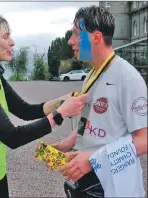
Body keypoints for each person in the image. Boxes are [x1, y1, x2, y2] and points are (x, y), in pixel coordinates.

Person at [0, 15, 89, 198]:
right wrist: (60, 114)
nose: (12, 42)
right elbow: (11, 136)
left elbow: (25, 110)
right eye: (6, 36)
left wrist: (61, 101)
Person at [51, 5, 147, 198]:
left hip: (114, 184)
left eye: (77, 34)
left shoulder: (128, 78)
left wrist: (93, 160)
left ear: (95, 37)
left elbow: (143, 141)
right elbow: (88, 124)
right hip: (87, 180)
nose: (70, 41)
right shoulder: (92, 74)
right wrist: (68, 143)